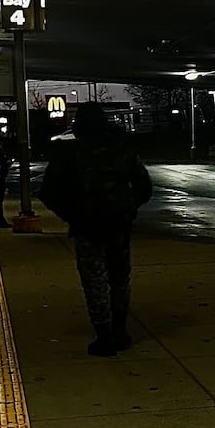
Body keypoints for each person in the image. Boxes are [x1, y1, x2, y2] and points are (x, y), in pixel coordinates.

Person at [40, 103, 152, 357]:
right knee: (120, 280)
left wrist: (71, 214)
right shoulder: (121, 150)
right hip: (119, 225)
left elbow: (48, 192)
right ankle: (121, 330)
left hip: (87, 226)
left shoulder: (69, 154)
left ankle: (104, 336)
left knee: (95, 282)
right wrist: (129, 207)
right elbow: (144, 186)